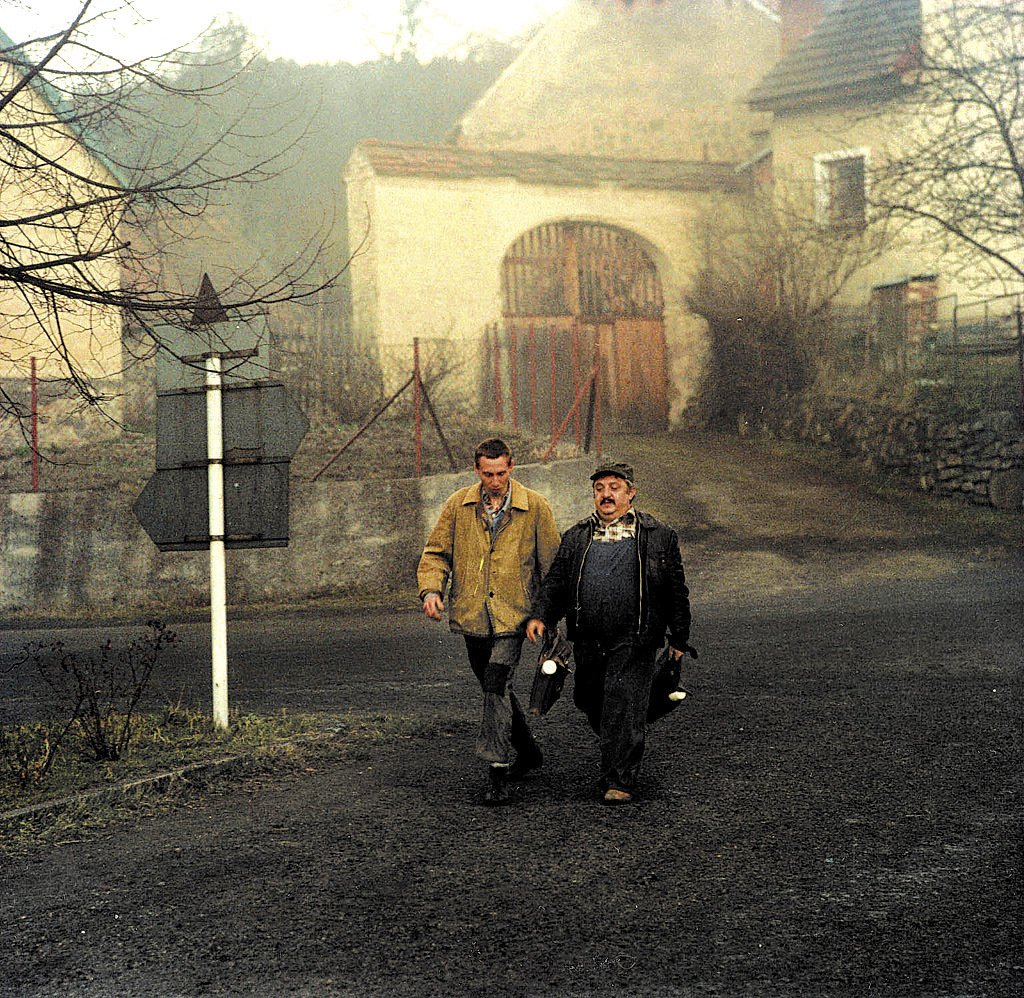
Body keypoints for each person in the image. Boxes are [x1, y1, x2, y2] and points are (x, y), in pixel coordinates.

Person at [526, 461, 691, 806]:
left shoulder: (658, 536)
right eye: (600, 488)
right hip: (588, 637)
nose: (606, 495)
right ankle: (633, 725)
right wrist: (541, 615)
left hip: (635, 637)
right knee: (588, 699)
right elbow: (556, 581)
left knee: (622, 702)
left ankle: (619, 779)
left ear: (630, 493)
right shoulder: (576, 536)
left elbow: (676, 591)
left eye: (614, 487)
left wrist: (679, 638)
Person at [418, 437, 560, 806]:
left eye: (501, 472)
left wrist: (543, 616)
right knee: (494, 689)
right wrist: (431, 590)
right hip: (473, 618)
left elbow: (554, 569)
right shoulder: (459, 505)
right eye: (487, 473)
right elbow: (436, 553)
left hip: (515, 618)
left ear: (511, 468)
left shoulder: (536, 508)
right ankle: (528, 752)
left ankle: (497, 770)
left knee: (496, 683)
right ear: (477, 471)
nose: (495, 480)